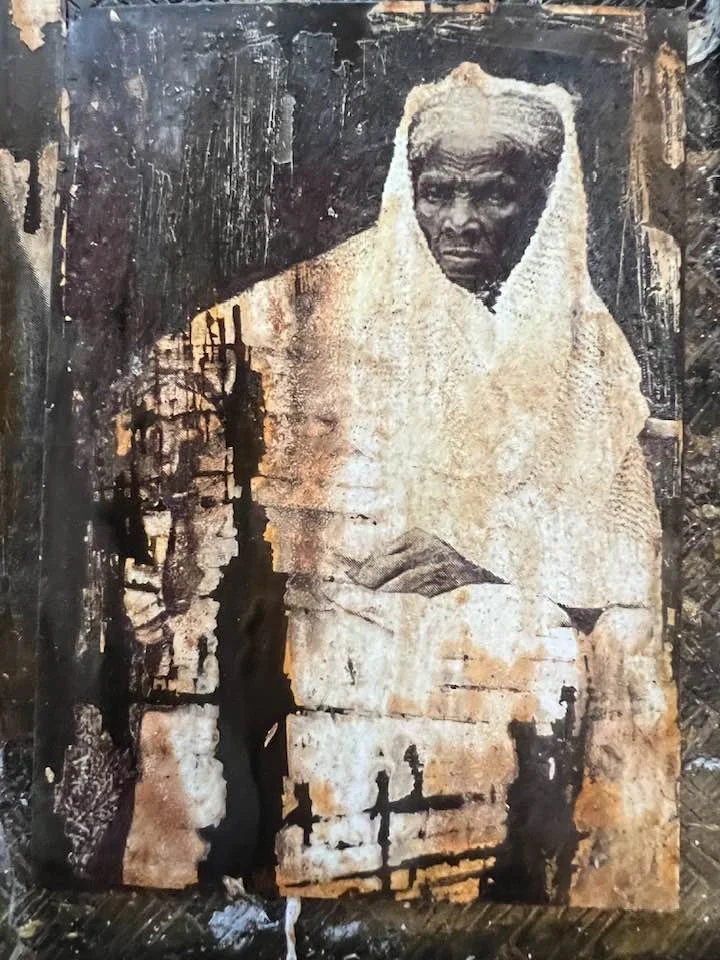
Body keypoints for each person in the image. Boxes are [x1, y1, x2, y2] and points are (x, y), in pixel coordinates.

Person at [116, 63, 678, 909]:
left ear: (540, 200)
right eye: (438, 192)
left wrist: (490, 560)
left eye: (494, 196)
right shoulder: (325, 299)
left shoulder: (586, 351)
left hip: (522, 683)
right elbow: (184, 372)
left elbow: (629, 558)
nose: (461, 221)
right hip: (343, 674)